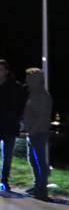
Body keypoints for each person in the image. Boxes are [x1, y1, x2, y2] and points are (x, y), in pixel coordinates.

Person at [21, 68, 52, 201]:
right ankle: (37, 186)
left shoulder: (42, 96)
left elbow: (42, 116)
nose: (26, 80)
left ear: (36, 79)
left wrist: (33, 130)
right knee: (33, 161)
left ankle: (41, 190)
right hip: (33, 132)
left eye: (29, 78)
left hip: (38, 133)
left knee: (40, 162)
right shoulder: (33, 94)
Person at [0, 59, 27, 193]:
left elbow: (21, 105)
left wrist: (19, 120)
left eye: (0, 70)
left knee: (8, 156)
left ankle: (4, 180)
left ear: (6, 71)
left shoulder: (16, 87)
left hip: (10, 126)